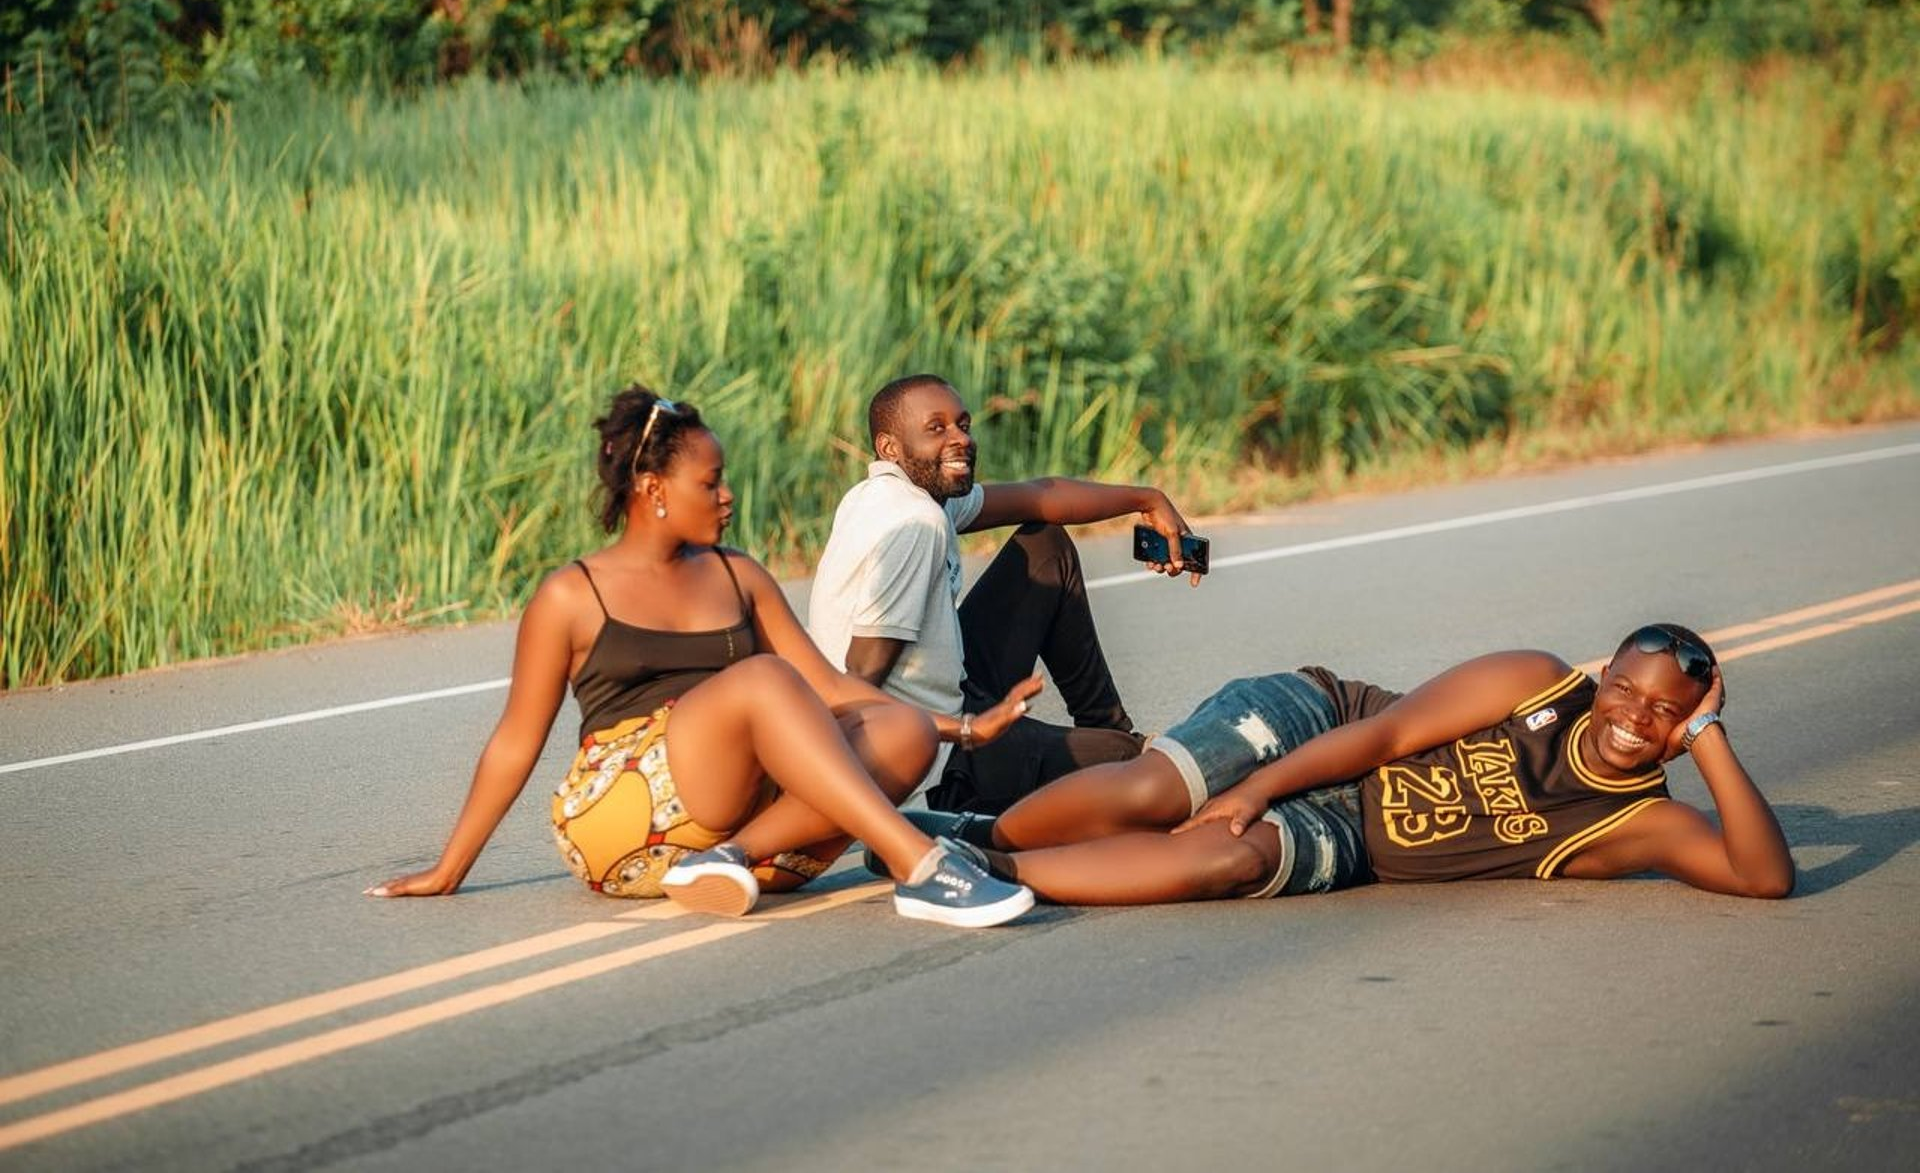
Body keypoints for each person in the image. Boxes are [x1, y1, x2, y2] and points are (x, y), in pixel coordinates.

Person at [369, 385, 1040, 928]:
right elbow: (516, 741)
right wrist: (450, 867)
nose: (728, 496)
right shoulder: (573, 594)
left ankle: (729, 859)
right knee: (765, 679)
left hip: (738, 827)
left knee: (903, 728)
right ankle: (918, 863)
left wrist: (960, 728)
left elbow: (834, 689)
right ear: (653, 490)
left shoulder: (737, 575)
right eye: (711, 482)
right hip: (622, 817)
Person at [901, 624, 1794, 904]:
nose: (1636, 717)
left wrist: (1710, 739)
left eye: (1666, 712)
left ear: (1688, 724)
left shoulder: (1638, 819)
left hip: (1359, 833)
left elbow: (1762, 875)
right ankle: (982, 828)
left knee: (1225, 855)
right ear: (1604, 676)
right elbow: (1386, 738)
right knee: (1158, 789)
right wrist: (1255, 784)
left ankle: (987, 866)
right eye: (1627, 691)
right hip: (1328, 719)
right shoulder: (1536, 683)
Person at [807, 373, 1203, 818]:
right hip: (937, 762)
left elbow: (1038, 497)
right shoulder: (916, 522)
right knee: (1145, 765)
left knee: (1045, 547)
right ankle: (1114, 748)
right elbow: (860, 677)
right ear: (889, 447)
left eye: (963, 424)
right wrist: (962, 734)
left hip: (947, 692)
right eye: (936, 429)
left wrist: (1147, 500)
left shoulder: (891, 494)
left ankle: (1104, 731)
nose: (960, 439)